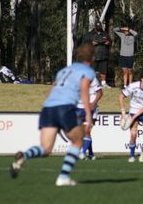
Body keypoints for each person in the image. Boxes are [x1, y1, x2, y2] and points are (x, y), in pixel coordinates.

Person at [10, 43, 96, 186]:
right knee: (78, 140)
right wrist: (88, 114)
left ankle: (23, 157)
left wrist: (48, 107)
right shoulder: (87, 71)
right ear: (92, 57)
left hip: (48, 107)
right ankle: (63, 177)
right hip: (65, 107)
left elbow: (53, 88)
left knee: (45, 148)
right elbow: (84, 91)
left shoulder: (64, 70)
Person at [118, 70, 143, 163]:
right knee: (133, 134)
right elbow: (121, 97)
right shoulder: (133, 86)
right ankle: (131, 156)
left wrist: (134, 117)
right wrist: (123, 113)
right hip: (133, 110)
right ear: (142, 79)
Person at [77, 76, 103, 160]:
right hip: (79, 108)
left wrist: (93, 103)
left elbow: (100, 93)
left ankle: (83, 153)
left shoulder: (92, 79)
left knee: (87, 131)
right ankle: (91, 154)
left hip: (91, 108)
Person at [84, 20, 111, 88]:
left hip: (103, 54)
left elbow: (110, 41)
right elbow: (85, 43)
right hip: (93, 55)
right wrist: (91, 43)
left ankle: (103, 83)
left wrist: (108, 42)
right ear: (95, 26)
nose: (99, 28)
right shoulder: (89, 34)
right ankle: (91, 83)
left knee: (103, 70)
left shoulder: (105, 33)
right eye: (97, 26)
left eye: (99, 26)